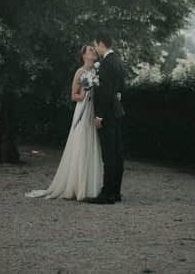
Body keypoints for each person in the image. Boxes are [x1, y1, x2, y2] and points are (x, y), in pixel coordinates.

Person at [26, 45, 104, 201]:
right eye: (90, 50)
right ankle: (77, 188)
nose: (93, 52)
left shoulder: (96, 72)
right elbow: (73, 96)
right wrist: (84, 92)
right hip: (82, 111)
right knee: (80, 143)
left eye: (94, 51)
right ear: (83, 55)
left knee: (90, 144)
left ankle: (89, 187)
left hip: (92, 111)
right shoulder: (80, 72)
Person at [88, 35, 125, 204]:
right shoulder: (117, 59)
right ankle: (115, 192)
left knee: (109, 155)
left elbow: (105, 92)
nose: (95, 48)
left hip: (108, 114)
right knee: (117, 154)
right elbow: (120, 88)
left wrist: (99, 115)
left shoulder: (106, 63)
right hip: (117, 112)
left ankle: (107, 194)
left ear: (101, 44)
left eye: (95, 45)